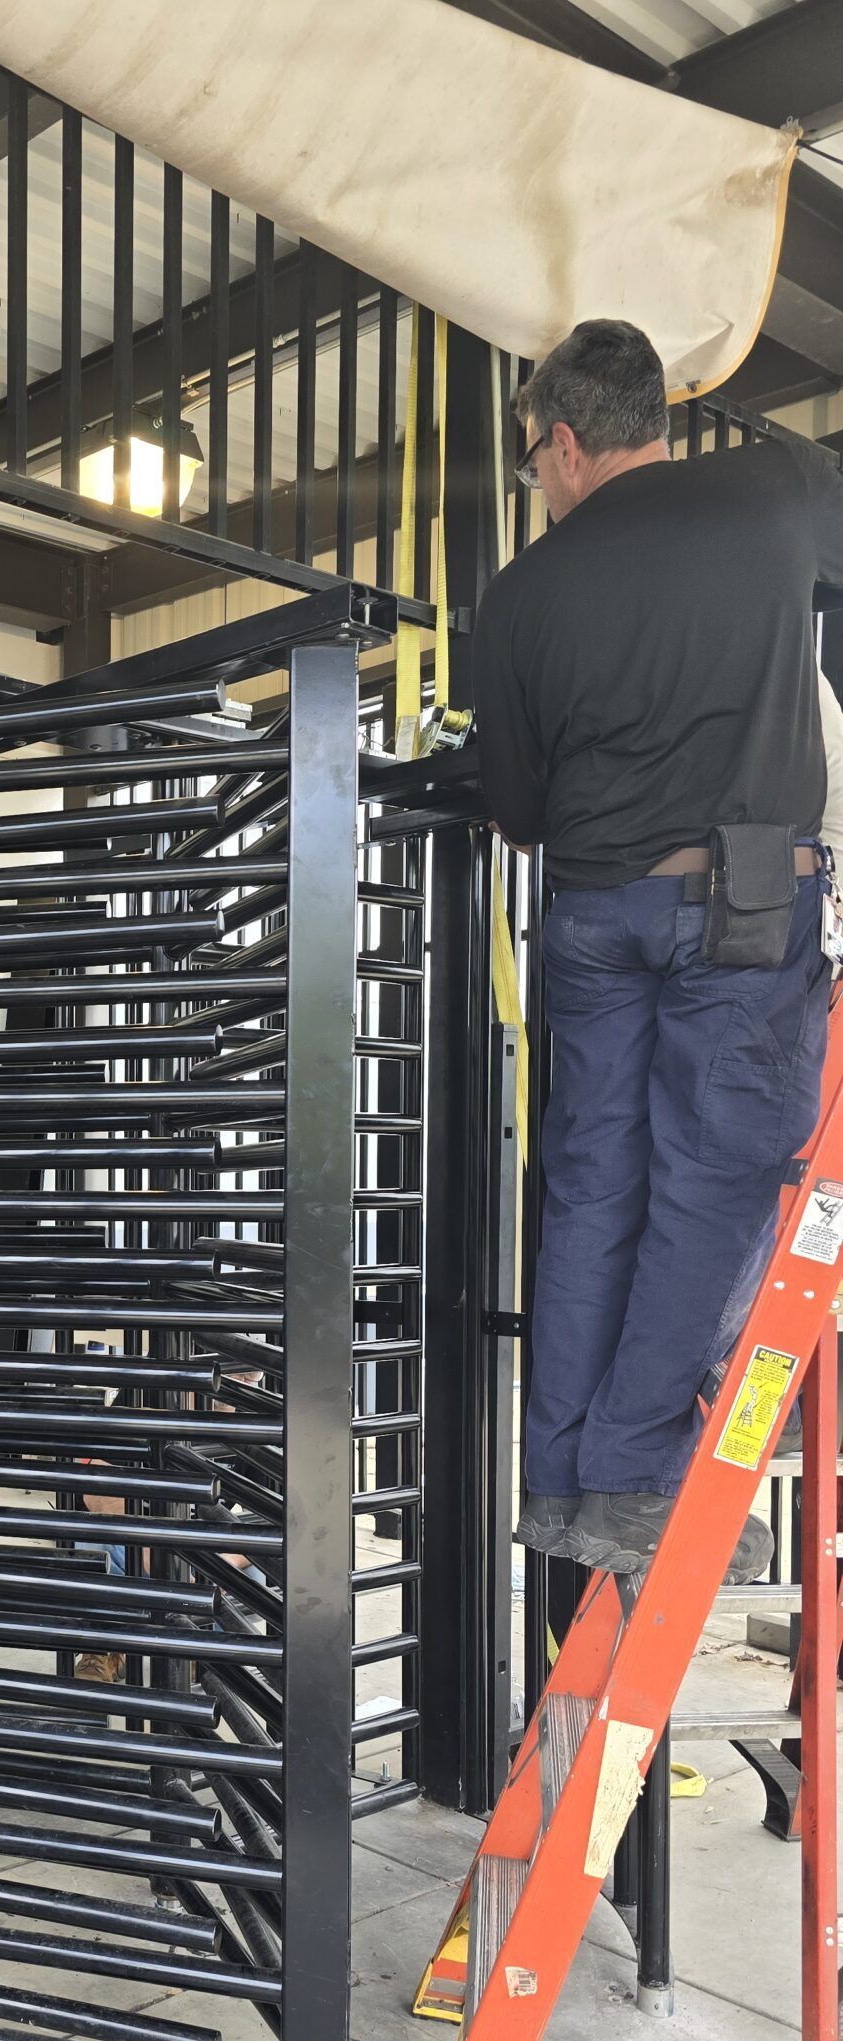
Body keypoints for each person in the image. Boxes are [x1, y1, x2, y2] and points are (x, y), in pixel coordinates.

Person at [472, 317, 843, 1577]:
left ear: (566, 442)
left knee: (591, 1189)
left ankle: (563, 1480)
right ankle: (633, 1480)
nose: (540, 482)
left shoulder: (521, 595)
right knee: (708, 1184)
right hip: (739, 906)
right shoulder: (776, 487)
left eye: (533, 462)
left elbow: (514, 807)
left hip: (591, 915)